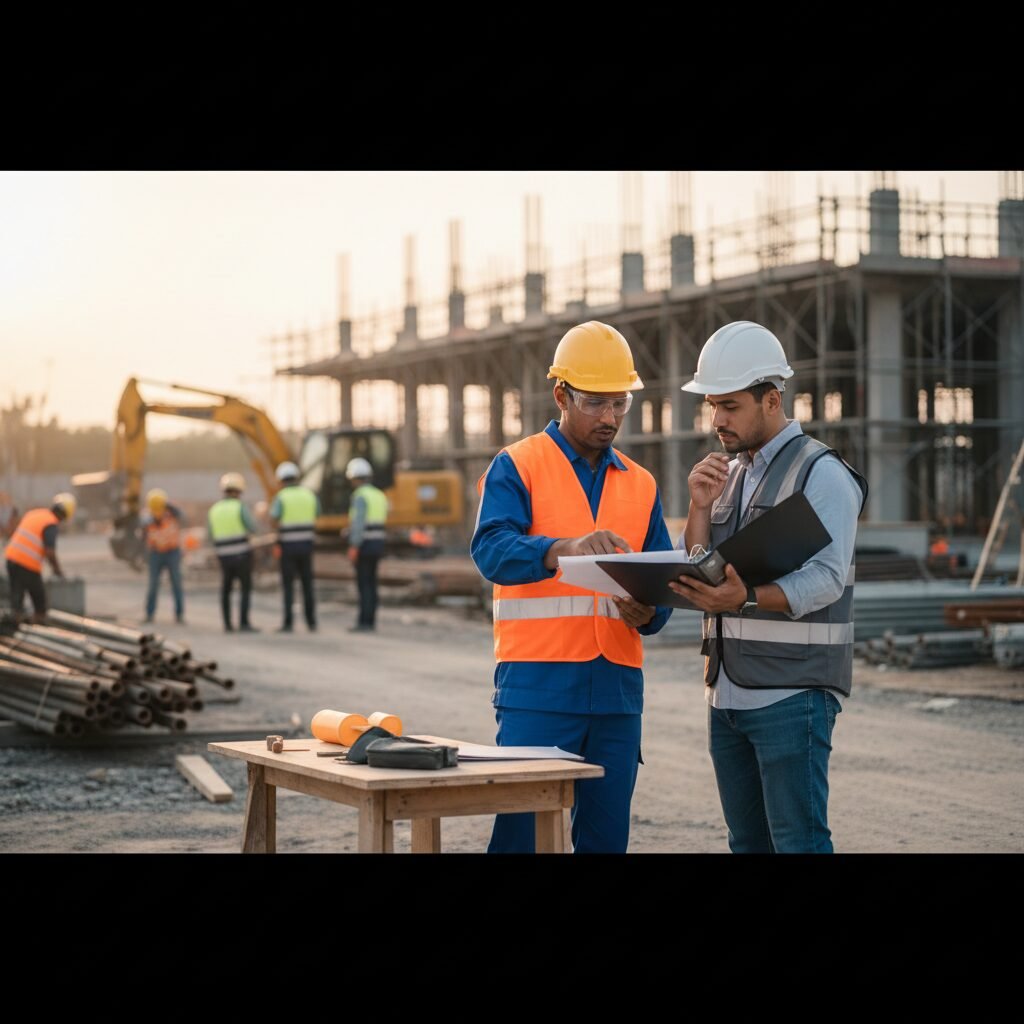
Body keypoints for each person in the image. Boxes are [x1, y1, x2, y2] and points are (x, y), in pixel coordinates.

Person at [471, 320, 674, 854]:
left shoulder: (642, 483)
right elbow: (490, 549)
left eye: (620, 404)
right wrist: (559, 549)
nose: (610, 418)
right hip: (538, 686)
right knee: (521, 837)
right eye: (596, 403)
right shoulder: (517, 465)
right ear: (561, 393)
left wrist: (648, 611)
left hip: (617, 692)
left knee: (605, 840)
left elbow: (664, 583)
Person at [669, 320, 868, 854]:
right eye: (712, 406)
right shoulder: (732, 473)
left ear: (772, 398)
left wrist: (748, 597)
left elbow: (826, 579)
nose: (717, 420)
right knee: (747, 844)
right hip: (727, 692)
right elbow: (699, 561)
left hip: (791, 694)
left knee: (798, 843)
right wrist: (699, 507)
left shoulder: (821, 474)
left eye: (730, 406)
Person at [4, 492, 75, 623]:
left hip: (11, 559)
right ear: (64, 515)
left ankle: (15, 624)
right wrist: (57, 571)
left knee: (16, 598)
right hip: (27, 564)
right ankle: (37, 625)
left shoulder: (36, 513)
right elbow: (50, 552)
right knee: (40, 602)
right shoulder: (51, 523)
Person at [270, 461, 319, 633]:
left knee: (288, 586)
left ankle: (288, 623)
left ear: (281, 479)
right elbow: (317, 512)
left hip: (288, 547)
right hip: (306, 545)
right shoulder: (309, 494)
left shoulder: (281, 497)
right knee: (307, 585)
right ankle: (311, 622)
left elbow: (274, 518)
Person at [208, 472, 259, 633]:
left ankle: (227, 624)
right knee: (245, 588)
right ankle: (244, 623)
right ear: (239, 491)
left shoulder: (214, 510)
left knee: (226, 589)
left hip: (224, 556)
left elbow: (210, 535)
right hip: (242, 555)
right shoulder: (240, 507)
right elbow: (252, 527)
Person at [345, 456, 388, 633]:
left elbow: (358, 523)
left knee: (364, 584)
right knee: (372, 582)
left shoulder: (360, 496)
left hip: (364, 545)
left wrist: (354, 545)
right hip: (378, 544)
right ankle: (371, 620)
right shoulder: (379, 495)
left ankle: (364, 622)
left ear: (355, 478)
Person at [141, 488, 185, 625]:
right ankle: (149, 614)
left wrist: (169, 506)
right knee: (153, 584)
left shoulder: (172, 514)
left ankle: (179, 614)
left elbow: (182, 516)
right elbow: (143, 535)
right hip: (156, 553)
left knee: (177, 583)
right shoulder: (147, 518)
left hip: (172, 552)